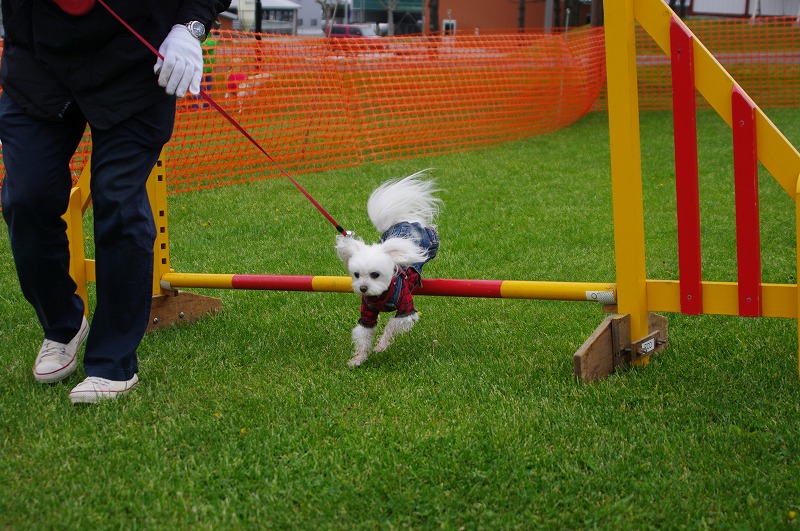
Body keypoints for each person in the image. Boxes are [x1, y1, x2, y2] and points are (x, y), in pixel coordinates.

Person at [0, 0, 230, 404]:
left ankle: (112, 362)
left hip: (136, 64)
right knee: (26, 197)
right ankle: (63, 325)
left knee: (118, 198)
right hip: (39, 64)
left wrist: (190, 27)